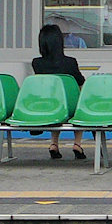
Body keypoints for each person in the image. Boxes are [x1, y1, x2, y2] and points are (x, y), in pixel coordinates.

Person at [32, 23, 86, 160]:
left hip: (48, 105)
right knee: (80, 106)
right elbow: (80, 82)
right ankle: (77, 144)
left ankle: (54, 144)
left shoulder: (37, 63)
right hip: (68, 107)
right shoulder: (70, 62)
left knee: (56, 108)